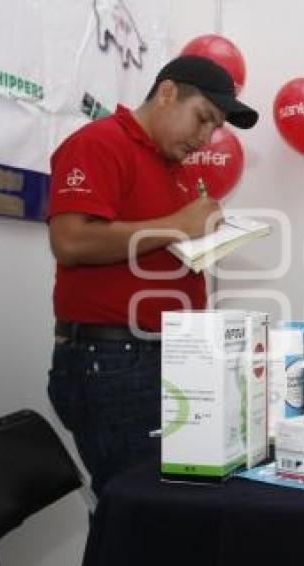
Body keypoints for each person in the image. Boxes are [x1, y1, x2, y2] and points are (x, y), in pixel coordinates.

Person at [46, 55, 259, 495]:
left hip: (167, 356)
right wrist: (180, 225)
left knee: (169, 511)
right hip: (114, 362)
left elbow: (157, 247)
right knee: (142, 509)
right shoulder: (99, 143)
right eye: (202, 119)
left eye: (214, 128)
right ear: (166, 93)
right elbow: (70, 241)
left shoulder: (176, 169)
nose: (205, 138)